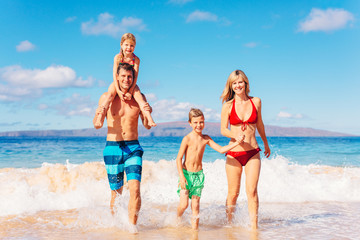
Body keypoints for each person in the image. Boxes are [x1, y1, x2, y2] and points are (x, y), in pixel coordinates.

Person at [93, 63, 152, 231]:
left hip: (133, 147)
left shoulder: (138, 98)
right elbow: (97, 124)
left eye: (129, 77)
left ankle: (133, 229)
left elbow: (146, 125)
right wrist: (99, 114)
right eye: (124, 76)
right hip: (113, 147)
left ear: (133, 79)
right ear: (117, 77)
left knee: (135, 190)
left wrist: (148, 113)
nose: (126, 80)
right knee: (116, 194)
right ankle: (116, 227)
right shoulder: (107, 97)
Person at [176, 108, 245, 230]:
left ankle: (194, 231)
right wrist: (181, 177)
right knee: (184, 204)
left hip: (198, 175)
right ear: (190, 123)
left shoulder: (206, 138)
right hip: (186, 174)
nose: (199, 125)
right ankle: (177, 220)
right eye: (195, 122)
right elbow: (178, 159)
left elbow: (221, 149)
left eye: (201, 122)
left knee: (196, 205)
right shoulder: (187, 139)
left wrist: (237, 143)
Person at [220, 70, 270, 230]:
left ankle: (254, 228)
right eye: (234, 83)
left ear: (246, 83)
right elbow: (223, 130)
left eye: (240, 82)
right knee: (233, 193)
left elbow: (260, 124)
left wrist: (266, 143)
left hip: (253, 152)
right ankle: (230, 226)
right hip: (234, 153)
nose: (237, 85)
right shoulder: (227, 105)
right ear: (231, 86)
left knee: (252, 191)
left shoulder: (256, 101)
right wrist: (235, 134)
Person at [93, 33, 156, 129]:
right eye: (126, 45)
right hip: (117, 82)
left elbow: (135, 76)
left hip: (132, 83)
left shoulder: (136, 59)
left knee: (140, 99)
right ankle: (100, 116)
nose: (129, 48)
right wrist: (118, 90)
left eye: (132, 46)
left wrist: (131, 91)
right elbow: (115, 74)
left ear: (134, 47)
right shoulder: (118, 57)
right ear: (121, 45)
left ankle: (149, 117)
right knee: (109, 96)